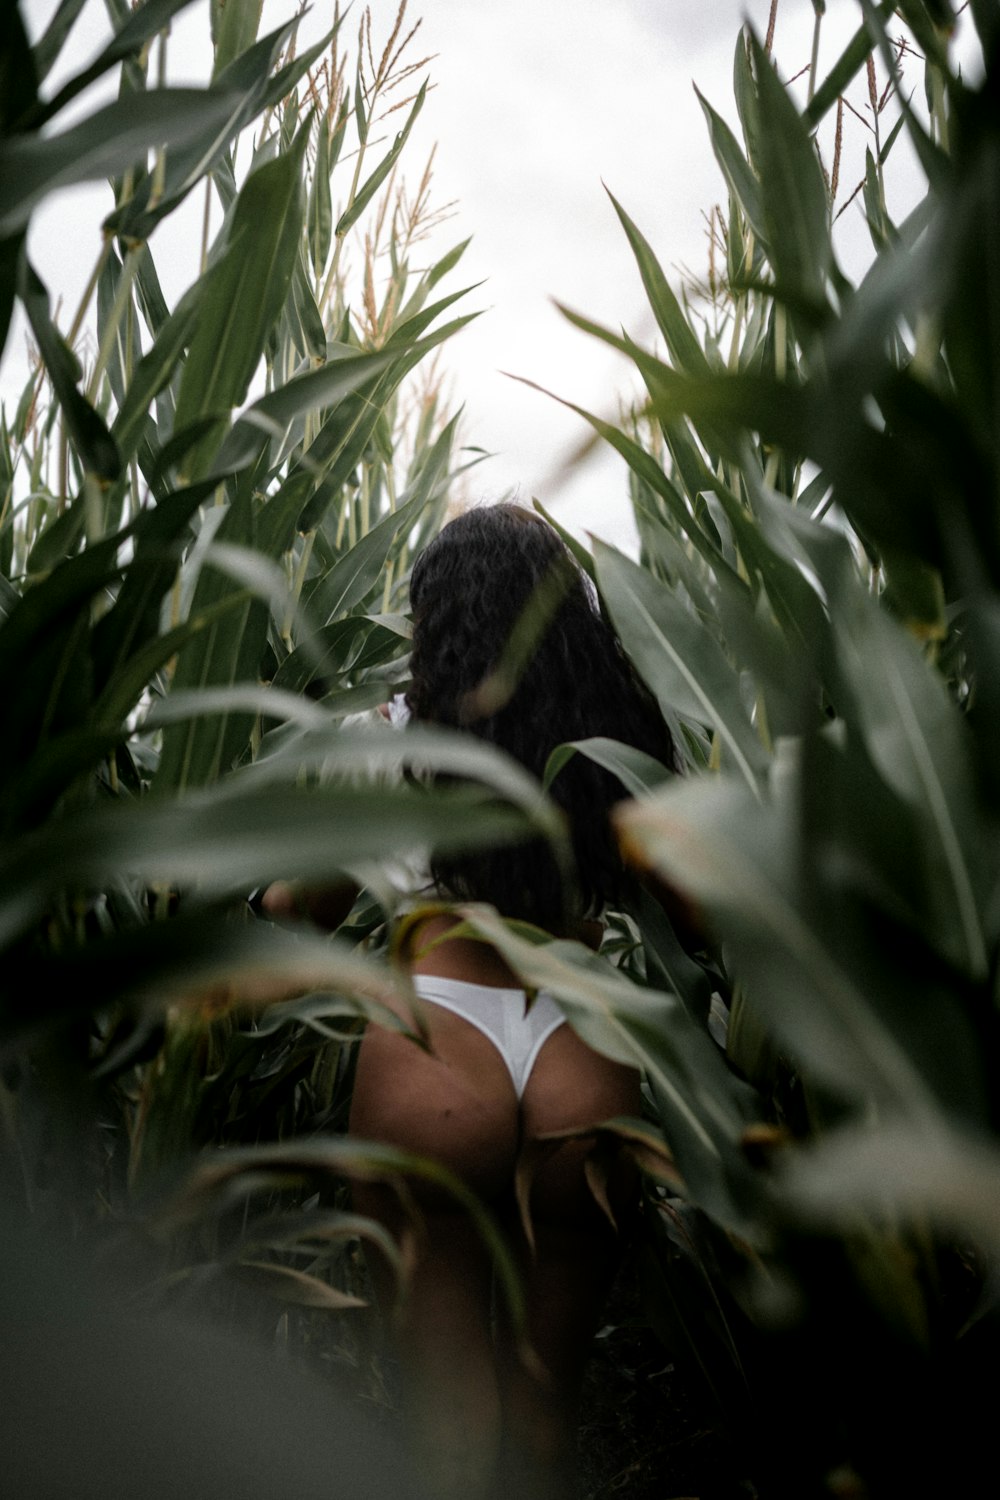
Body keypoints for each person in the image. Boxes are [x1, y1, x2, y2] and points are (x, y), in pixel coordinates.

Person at [341, 503, 680, 1500]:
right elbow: (699, 914)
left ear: (432, 618)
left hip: (434, 1045)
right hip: (583, 1051)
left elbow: (286, 898)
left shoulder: (395, 736)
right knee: (543, 1419)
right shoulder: (617, 736)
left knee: (445, 1422)